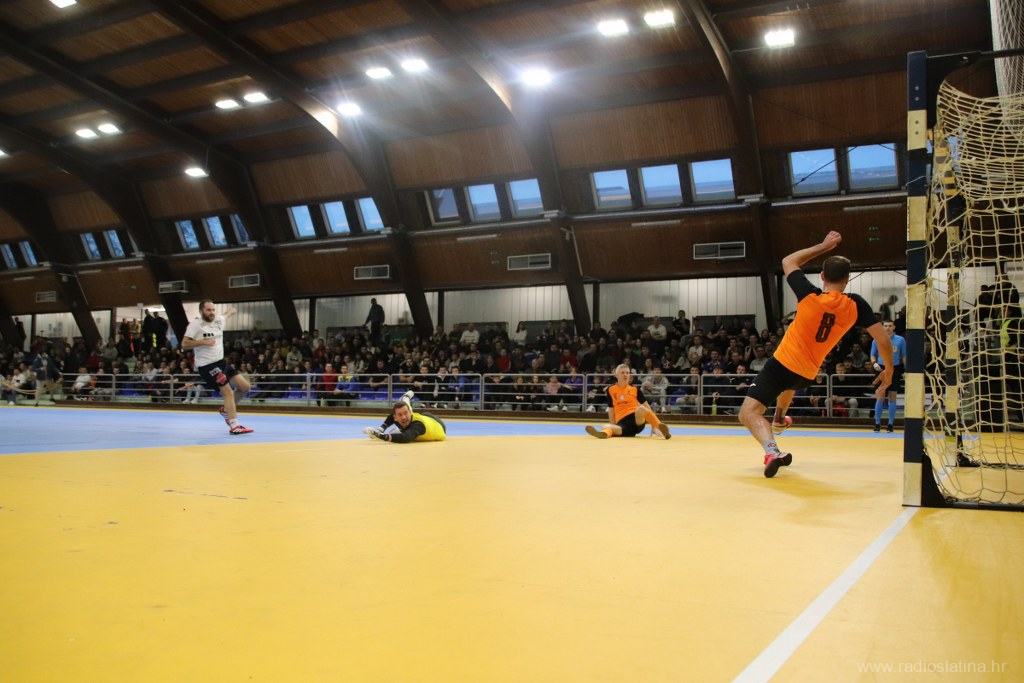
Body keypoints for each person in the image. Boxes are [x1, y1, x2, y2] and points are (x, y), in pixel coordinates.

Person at [738, 231, 893, 478]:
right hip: (807, 374)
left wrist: (823, 246)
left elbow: (789, 261)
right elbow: (883, 339)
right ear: (847, 280)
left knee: (748, 413)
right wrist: (889, 370)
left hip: (782, 363)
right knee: (787, 385)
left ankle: (772, 451)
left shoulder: (809, 295)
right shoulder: (855, 305)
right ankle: (779, 419)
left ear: (822, 276)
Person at [181, 300, 253, 434]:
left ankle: (225, 410)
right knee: (228, 392)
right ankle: (235, 425)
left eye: (213, 310)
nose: (212, 312)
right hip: (207, 366)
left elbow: (225, 315)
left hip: (221, 362)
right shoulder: (195, 325)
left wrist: (231, 311)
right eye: (208, 310)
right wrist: (203, 342)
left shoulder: (218, 321)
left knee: (245, 387)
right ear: (201, 311)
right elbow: (184, 344)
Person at [585, 363, 671, 439]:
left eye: (627, 373)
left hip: (637, 421)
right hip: (622, 423)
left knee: (641, 409)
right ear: (616, 375)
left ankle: (660, 427)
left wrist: (653, 427)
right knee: (606, 426)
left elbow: (647, 407)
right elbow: (611, 409)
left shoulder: (635, 389)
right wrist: (612, 424)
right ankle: (604, 434)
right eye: (622, 373)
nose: (625, 375)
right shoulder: (610, 390)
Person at [363, 391, 447, 443]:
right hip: (421, 418)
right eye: (400, 415)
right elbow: (395, 416)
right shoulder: (399, 416)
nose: (403, 417)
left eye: (406, 413)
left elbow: (406, 438)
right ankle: (406, 398)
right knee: (401, 412)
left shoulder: (418, 425)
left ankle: (406, 398)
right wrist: (380, 429)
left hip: (438, 425)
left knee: (422, 413)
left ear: (410, 413)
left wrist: (381, 436)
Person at [871, 320, 907, 433]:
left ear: (894, 327)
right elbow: (872, 354)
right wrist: (874, 363)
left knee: (892, 396)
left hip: (895, 368)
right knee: (880, 396)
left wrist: (906, 370)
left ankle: (890, 424)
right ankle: (877, 423)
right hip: (881, 368)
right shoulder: (877, 339)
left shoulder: (900, 340)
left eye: (890, 326)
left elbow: (904, 356)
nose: (887, 328)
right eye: (885, 326)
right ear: (882, 327)